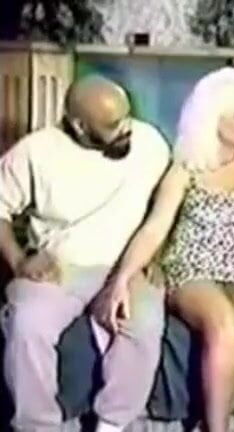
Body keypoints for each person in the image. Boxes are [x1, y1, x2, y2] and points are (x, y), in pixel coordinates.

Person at [101, 67, 234, 432]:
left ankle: (213, 422)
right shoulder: (187, 164)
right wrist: (123, 278)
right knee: (224, 324)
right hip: (190, 266)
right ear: (213, 117)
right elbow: (155, 227)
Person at [0, 75, 170, 432]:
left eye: (127, 116)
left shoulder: (150, 143)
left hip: (125, 267)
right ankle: (37, 426)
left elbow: (166, 207)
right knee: (27, 324)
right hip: (61, 266)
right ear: (79, 125)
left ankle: (112, 424)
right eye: (113, 124)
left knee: (145, 323)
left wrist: (156, 255)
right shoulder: (35, 152)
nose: (127, 129)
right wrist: (18, 260)